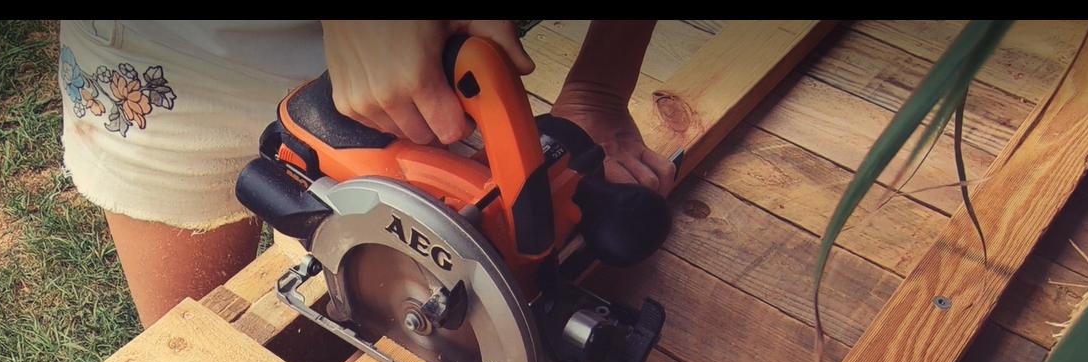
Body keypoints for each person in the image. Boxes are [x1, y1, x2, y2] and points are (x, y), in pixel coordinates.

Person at [58, 20, 676, 326]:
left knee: (348, 294)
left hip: (411, 63)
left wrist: (599, 86)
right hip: (168, 64)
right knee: (193, 347)